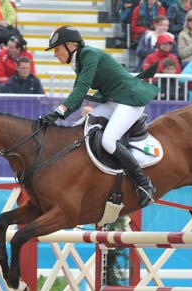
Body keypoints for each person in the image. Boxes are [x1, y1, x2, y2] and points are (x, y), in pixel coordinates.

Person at [41, 26, 159, 207]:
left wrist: (59, 111)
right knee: (80, 127)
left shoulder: (89, 54)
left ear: (71, 46)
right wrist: (58, 115)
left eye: (57, 49)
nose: (55, 54)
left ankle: (144, 184)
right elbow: (78, 96)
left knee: (109, 141)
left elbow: (80, 90)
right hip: (115, 100)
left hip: (130, 99)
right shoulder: (80, 60)